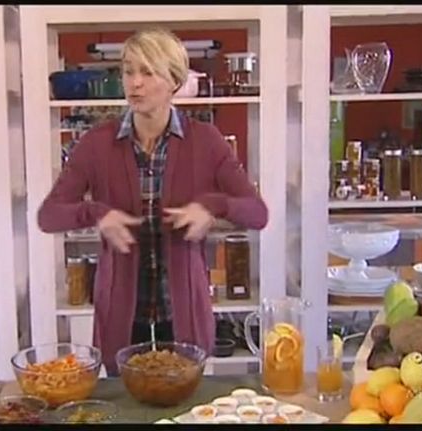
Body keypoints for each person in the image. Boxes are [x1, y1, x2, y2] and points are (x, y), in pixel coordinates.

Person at [38, 28, 268, 375]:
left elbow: (257, 213)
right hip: (121, 318)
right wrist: (96, 213)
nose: (135, 83)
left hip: (184, 316)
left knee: (186, 399)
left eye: (148, 73)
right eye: (129, 71)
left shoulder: (206, 141)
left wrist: (212, 207)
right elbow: (49, 216)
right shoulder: (96, 143)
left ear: (174, 81)